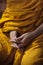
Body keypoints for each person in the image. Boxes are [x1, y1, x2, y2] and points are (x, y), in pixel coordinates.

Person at [0, 0, 43, 65]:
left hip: (38, 32)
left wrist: (32, 35)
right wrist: (13, 33)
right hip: (9, 30)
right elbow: (9, 14)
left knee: (30, 62)